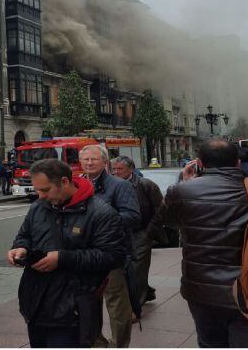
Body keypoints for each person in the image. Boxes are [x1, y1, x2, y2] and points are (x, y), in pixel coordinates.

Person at [158, 138, 248, 347]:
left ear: (200, 163)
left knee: (210, 343)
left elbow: (164, 222)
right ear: (237, 162)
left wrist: (185, 183)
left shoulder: (181, 191)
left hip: (200, 290)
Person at [9, 158, 125, 348]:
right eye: (37, 189)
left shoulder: (101, 213)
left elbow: (112, 257)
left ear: (64, 182)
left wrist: (62, 258)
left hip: (73, 307)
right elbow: (24, 235)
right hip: (36, 301)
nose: (40, 196)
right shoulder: (38, 207)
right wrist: (20, 248)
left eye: (45, 190)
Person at [80, 144, 140, 348]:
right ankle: (98, 344)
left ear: (105, 162)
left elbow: (132, 217)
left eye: (94, 159)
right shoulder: (77, 184)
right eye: (86, 159)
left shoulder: (120, 185)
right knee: (88, 305)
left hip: (111, 254)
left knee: (117, 305)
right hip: (85, 256)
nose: (89, 163)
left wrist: (97, 223)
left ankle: (119, 345)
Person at [111, 155, 163, 307]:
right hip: (120, 233)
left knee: (137, 268)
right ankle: (145, 292)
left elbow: (160, 210)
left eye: (120, 169)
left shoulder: (146, 185)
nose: (116, 172)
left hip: (140, 232)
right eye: (114, 169)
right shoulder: (112, 185)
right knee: (126, 268)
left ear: (131, 169)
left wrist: (149, 232)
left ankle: (136, 305)